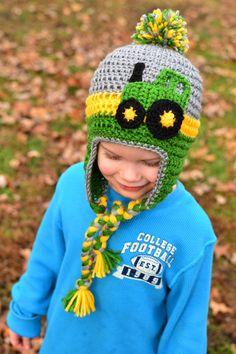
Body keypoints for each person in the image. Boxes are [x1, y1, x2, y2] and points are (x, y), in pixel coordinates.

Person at [6, 8, 216, 354]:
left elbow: (186, 326)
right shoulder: (73, 186)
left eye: (150, 162)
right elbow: (46, 257)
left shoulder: (190, 230)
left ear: (175, 157)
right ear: (94, 145)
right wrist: (25, 312)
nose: (129, 176)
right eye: (113, 157)